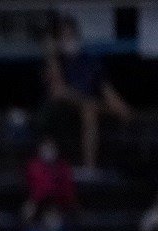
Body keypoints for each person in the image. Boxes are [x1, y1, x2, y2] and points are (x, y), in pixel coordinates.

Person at [42, 15, 132, 172]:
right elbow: (58, 91)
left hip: (91, 107)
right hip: (64, 112)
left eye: (71, 35)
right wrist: (51, 55)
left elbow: (105, 89)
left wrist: (119, 106)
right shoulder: (55, 61)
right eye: (64, 36)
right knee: (87, 108)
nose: (68, 40)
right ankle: (89, 168)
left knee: (113, 110)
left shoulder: (89, 61)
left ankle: (95, 169)